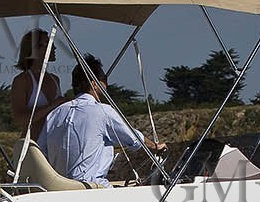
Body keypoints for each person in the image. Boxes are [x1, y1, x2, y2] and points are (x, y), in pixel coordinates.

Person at [37, 55, 166, 185]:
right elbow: (133, 138)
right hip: (91, 187)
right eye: (104, 80)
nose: (106, 85)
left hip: (60, 189)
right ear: (94, 84)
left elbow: (41, 151)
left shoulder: (54, 114)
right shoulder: (103, 111)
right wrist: (154, 146)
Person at [9, 30, 64, 139]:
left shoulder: (55, 79)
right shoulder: (22, 81)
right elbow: (19, 119)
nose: (54, 47)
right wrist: (52, 106)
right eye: (48, 43)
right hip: (33, 145)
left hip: (54, 147)